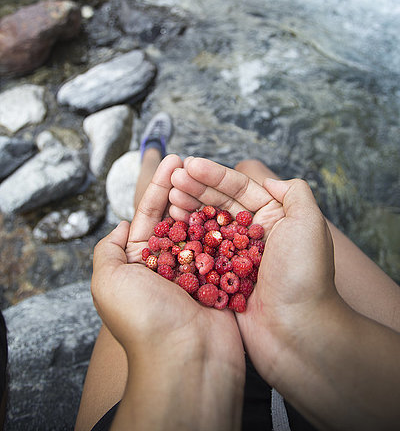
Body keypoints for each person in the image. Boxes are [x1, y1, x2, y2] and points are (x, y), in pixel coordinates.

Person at [75, 113, 400, 431]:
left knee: (147, 212)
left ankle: (152, 150)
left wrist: (176, 352)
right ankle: (157, 152)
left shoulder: (223, 256)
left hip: (160, 395)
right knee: (251, 170)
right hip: (342, 376)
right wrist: (307, 323)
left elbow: (214, 262)